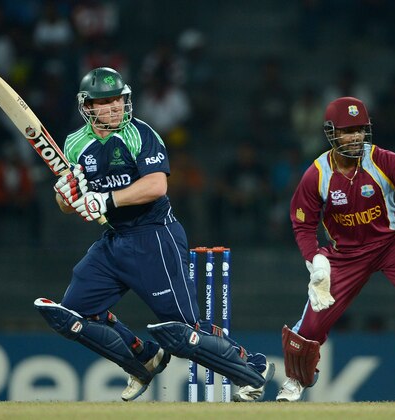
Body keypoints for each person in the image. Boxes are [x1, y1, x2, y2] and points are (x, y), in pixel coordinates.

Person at [35, 67, 274, 402]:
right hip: (114, 240)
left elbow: (157, 185)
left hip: (154, 237)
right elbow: (68, 204)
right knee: (72, 315)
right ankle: (143, 359)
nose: (115, 107)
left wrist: (105, 198)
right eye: (106, 101)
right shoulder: (75, 144)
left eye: (118, 98)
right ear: (88, 106)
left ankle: (252, 367)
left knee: (182, 331)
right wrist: (65, 195)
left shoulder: (140, 134)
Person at [277, 96, 395, 403]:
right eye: (347, 130)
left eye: (359, 129)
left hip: (393, 243)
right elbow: (302, 224)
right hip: (345, 254)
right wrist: (314, 261)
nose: (355, 137)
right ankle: (295, 380)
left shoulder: (382, 160)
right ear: (332, 133)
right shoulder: (317, 174)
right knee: (314, 319)